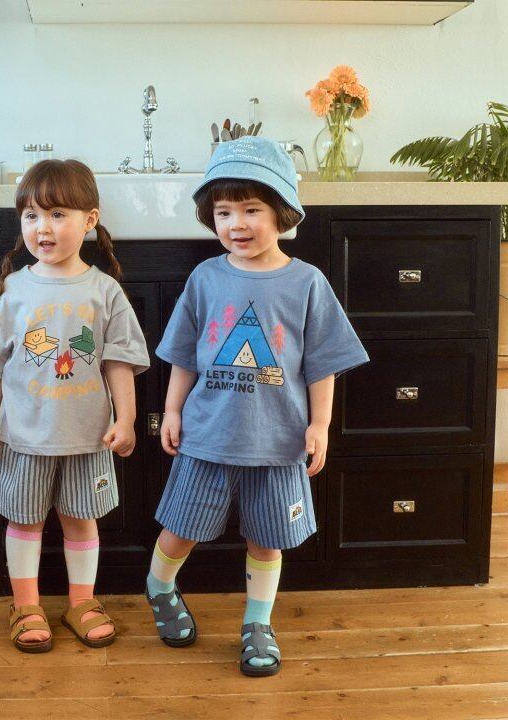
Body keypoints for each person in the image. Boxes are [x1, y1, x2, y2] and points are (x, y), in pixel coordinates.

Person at [145, 136, 369, 676]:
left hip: (279, 440)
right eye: (224, 212)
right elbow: (183, 355)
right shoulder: (206, 278)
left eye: (251, 210)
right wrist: (172, 411)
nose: (236, 224)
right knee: (181, 527)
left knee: (267, 539)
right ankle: (159, 585)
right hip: (207, 435)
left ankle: (257, 622)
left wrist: (320, 424)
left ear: (281, 213)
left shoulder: (307, 283)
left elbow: (322, 363)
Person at [0, 159, 150, 653]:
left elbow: (119, 362)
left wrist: (127, 418)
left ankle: (81, 602)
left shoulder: (105, 291)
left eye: (57, 214)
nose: (42, 228)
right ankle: (25, 605)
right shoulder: (11, 290)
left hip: (89, 436)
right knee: (24, 521)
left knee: (81, 520)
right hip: (24, 435)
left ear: (90, 220)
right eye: (31, 216)